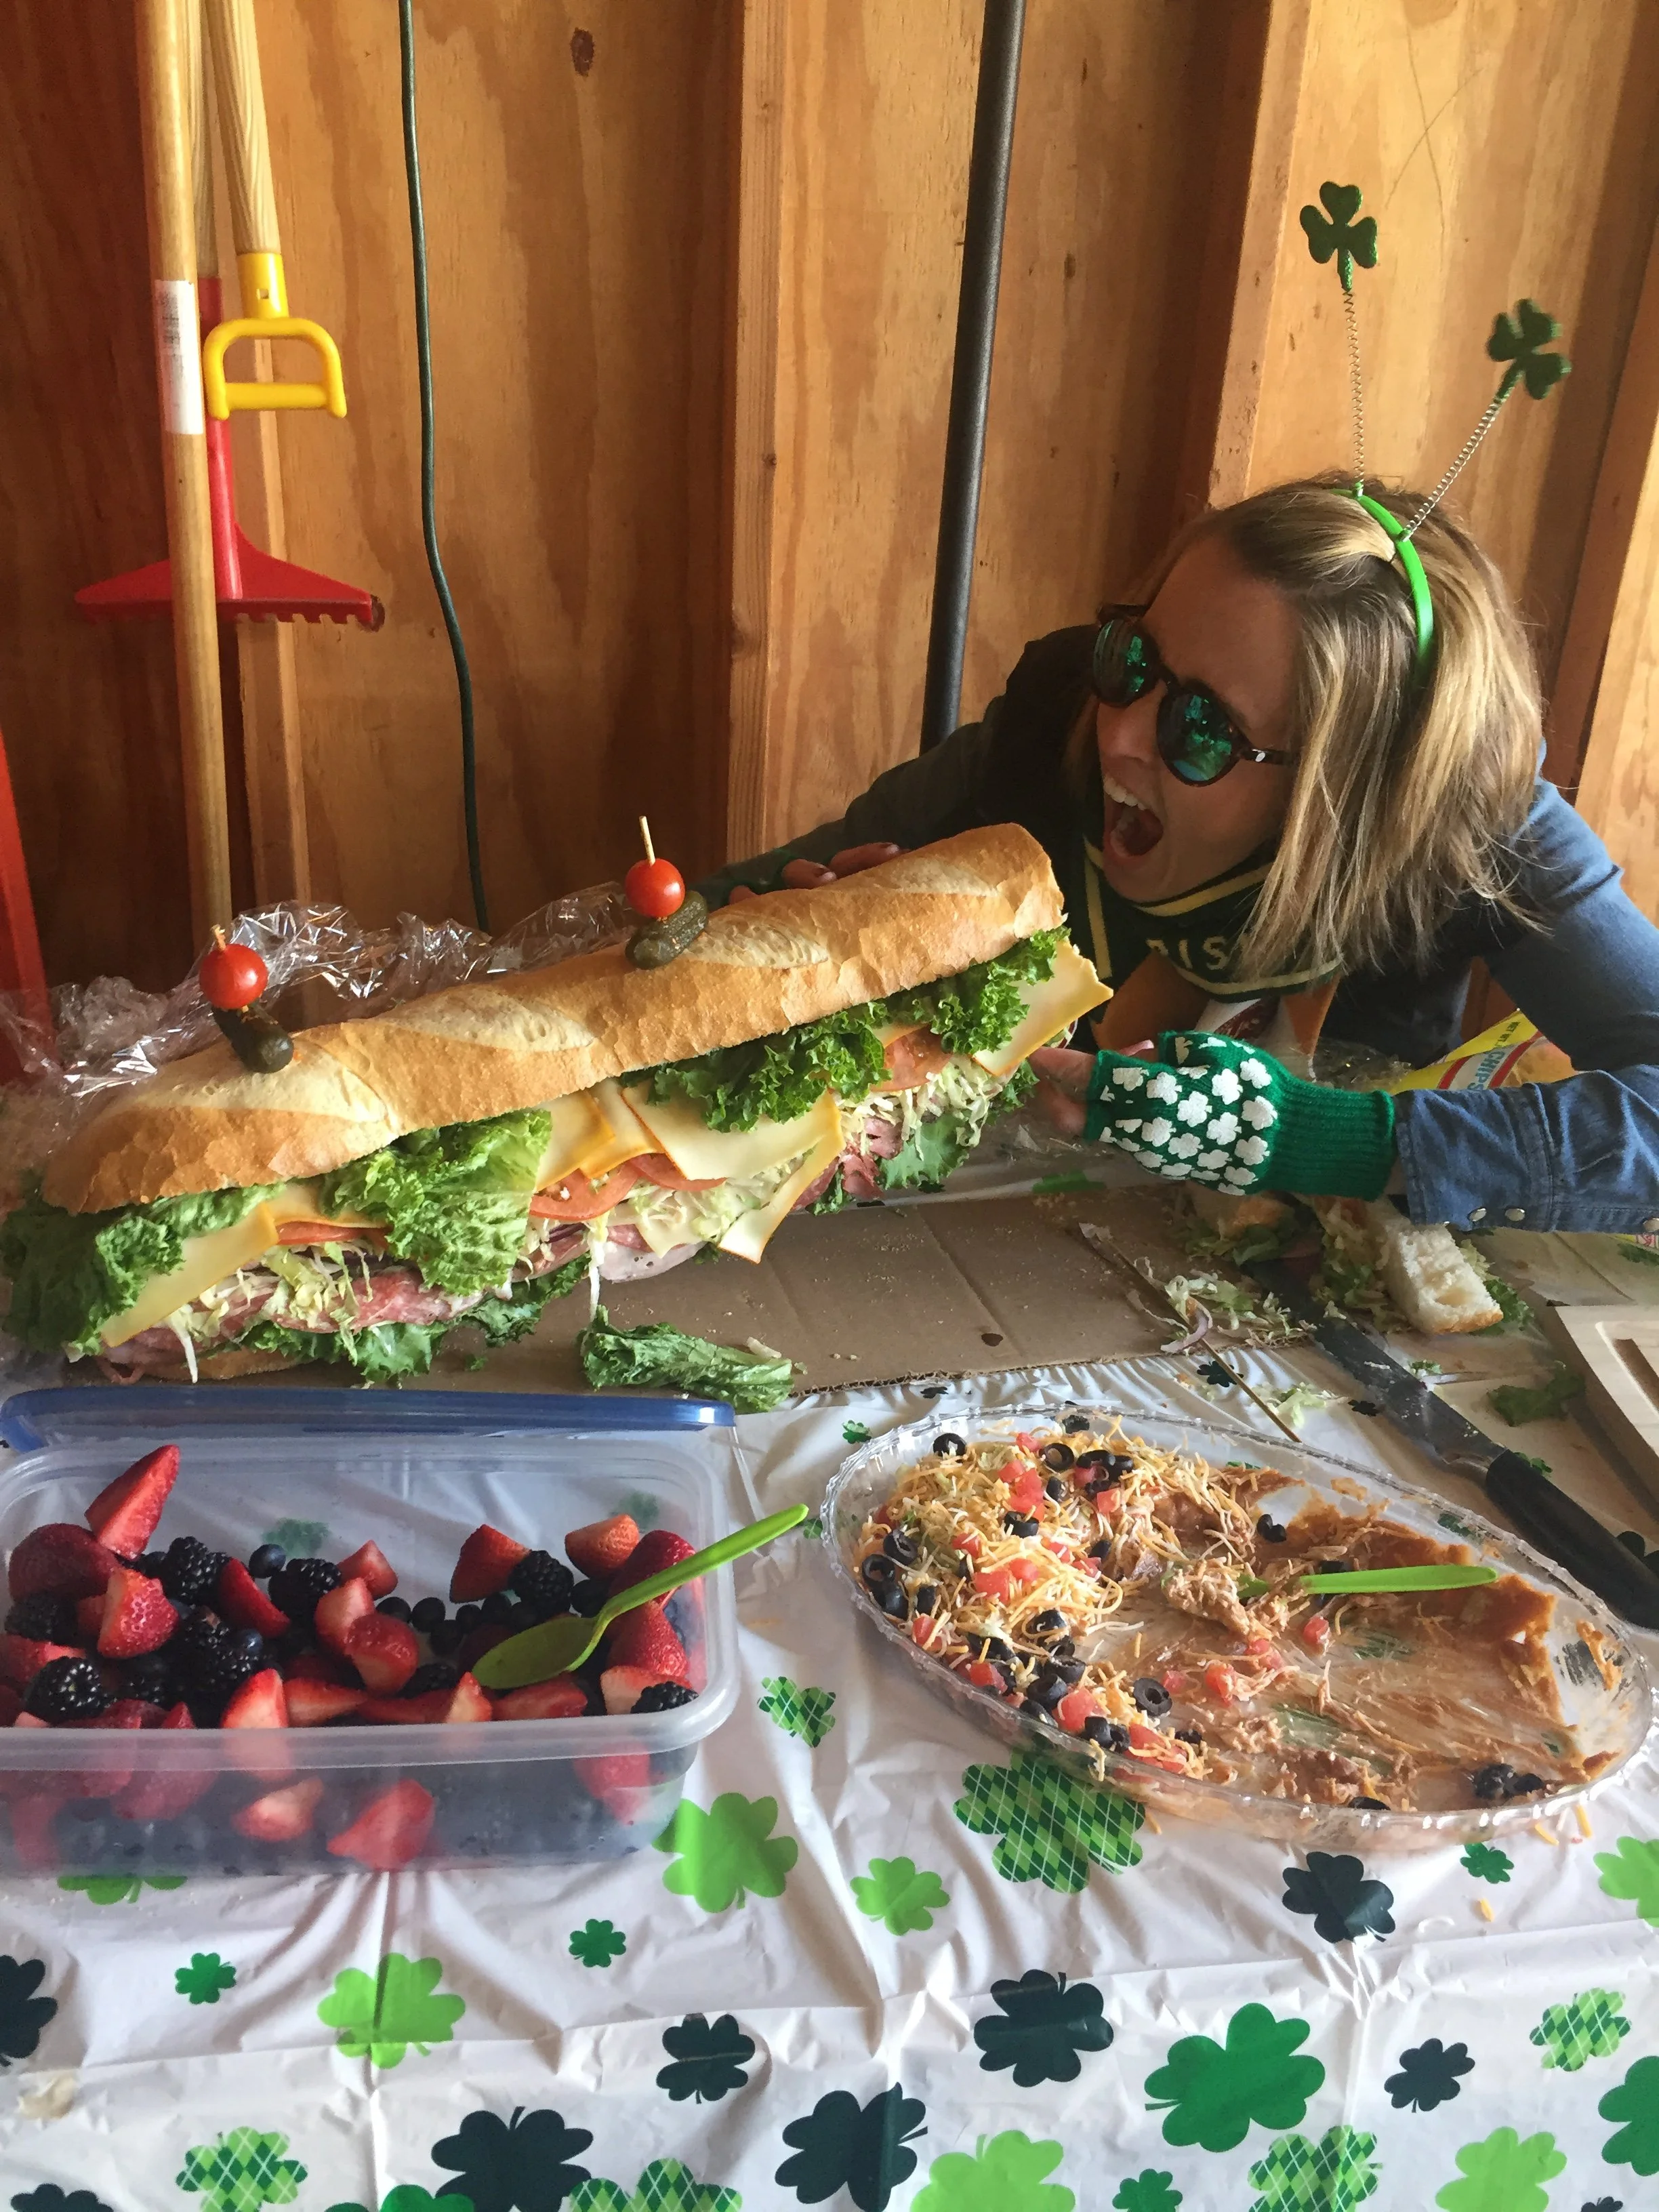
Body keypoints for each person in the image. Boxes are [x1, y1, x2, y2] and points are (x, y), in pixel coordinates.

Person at [696, 475, 1659, 1234]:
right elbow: (710, 922)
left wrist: (1319, 1139)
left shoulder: (1475, 831)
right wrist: (801, 956)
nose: (1120, 735)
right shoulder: (1042, 730)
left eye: (1205, 728)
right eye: (1134, 659)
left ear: (1343, 796)